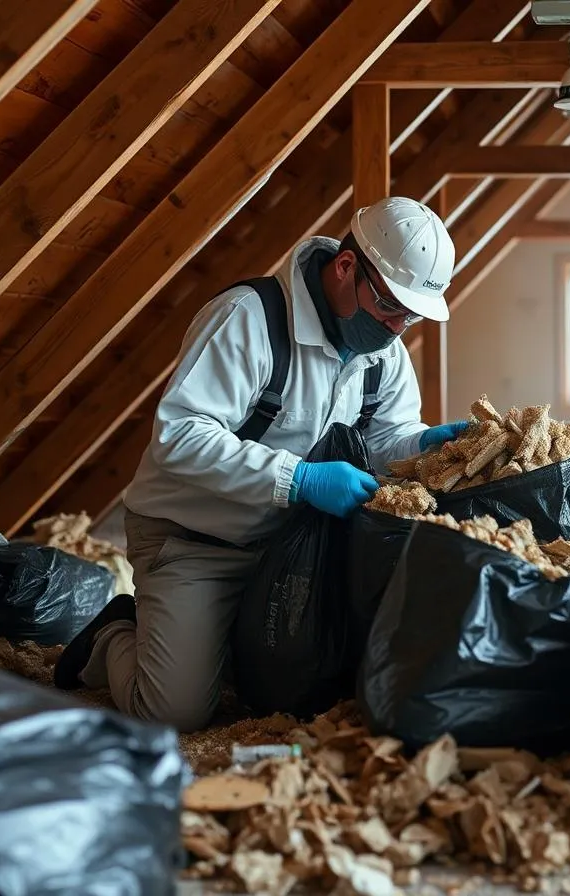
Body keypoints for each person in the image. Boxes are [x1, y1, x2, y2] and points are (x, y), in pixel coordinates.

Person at [53, 196, 469, 732]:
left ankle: (211, 642)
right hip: (193, 540)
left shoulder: (382, 354)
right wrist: (299, 479)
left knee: (320, 685)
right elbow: (180, 436)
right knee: (175, 710)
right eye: (391, 308)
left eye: (410, 316)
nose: (396, 328)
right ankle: (114, 634)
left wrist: (423, 445)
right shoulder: (249, 319)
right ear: (346, 268)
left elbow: (386, 436)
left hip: (286, 545)